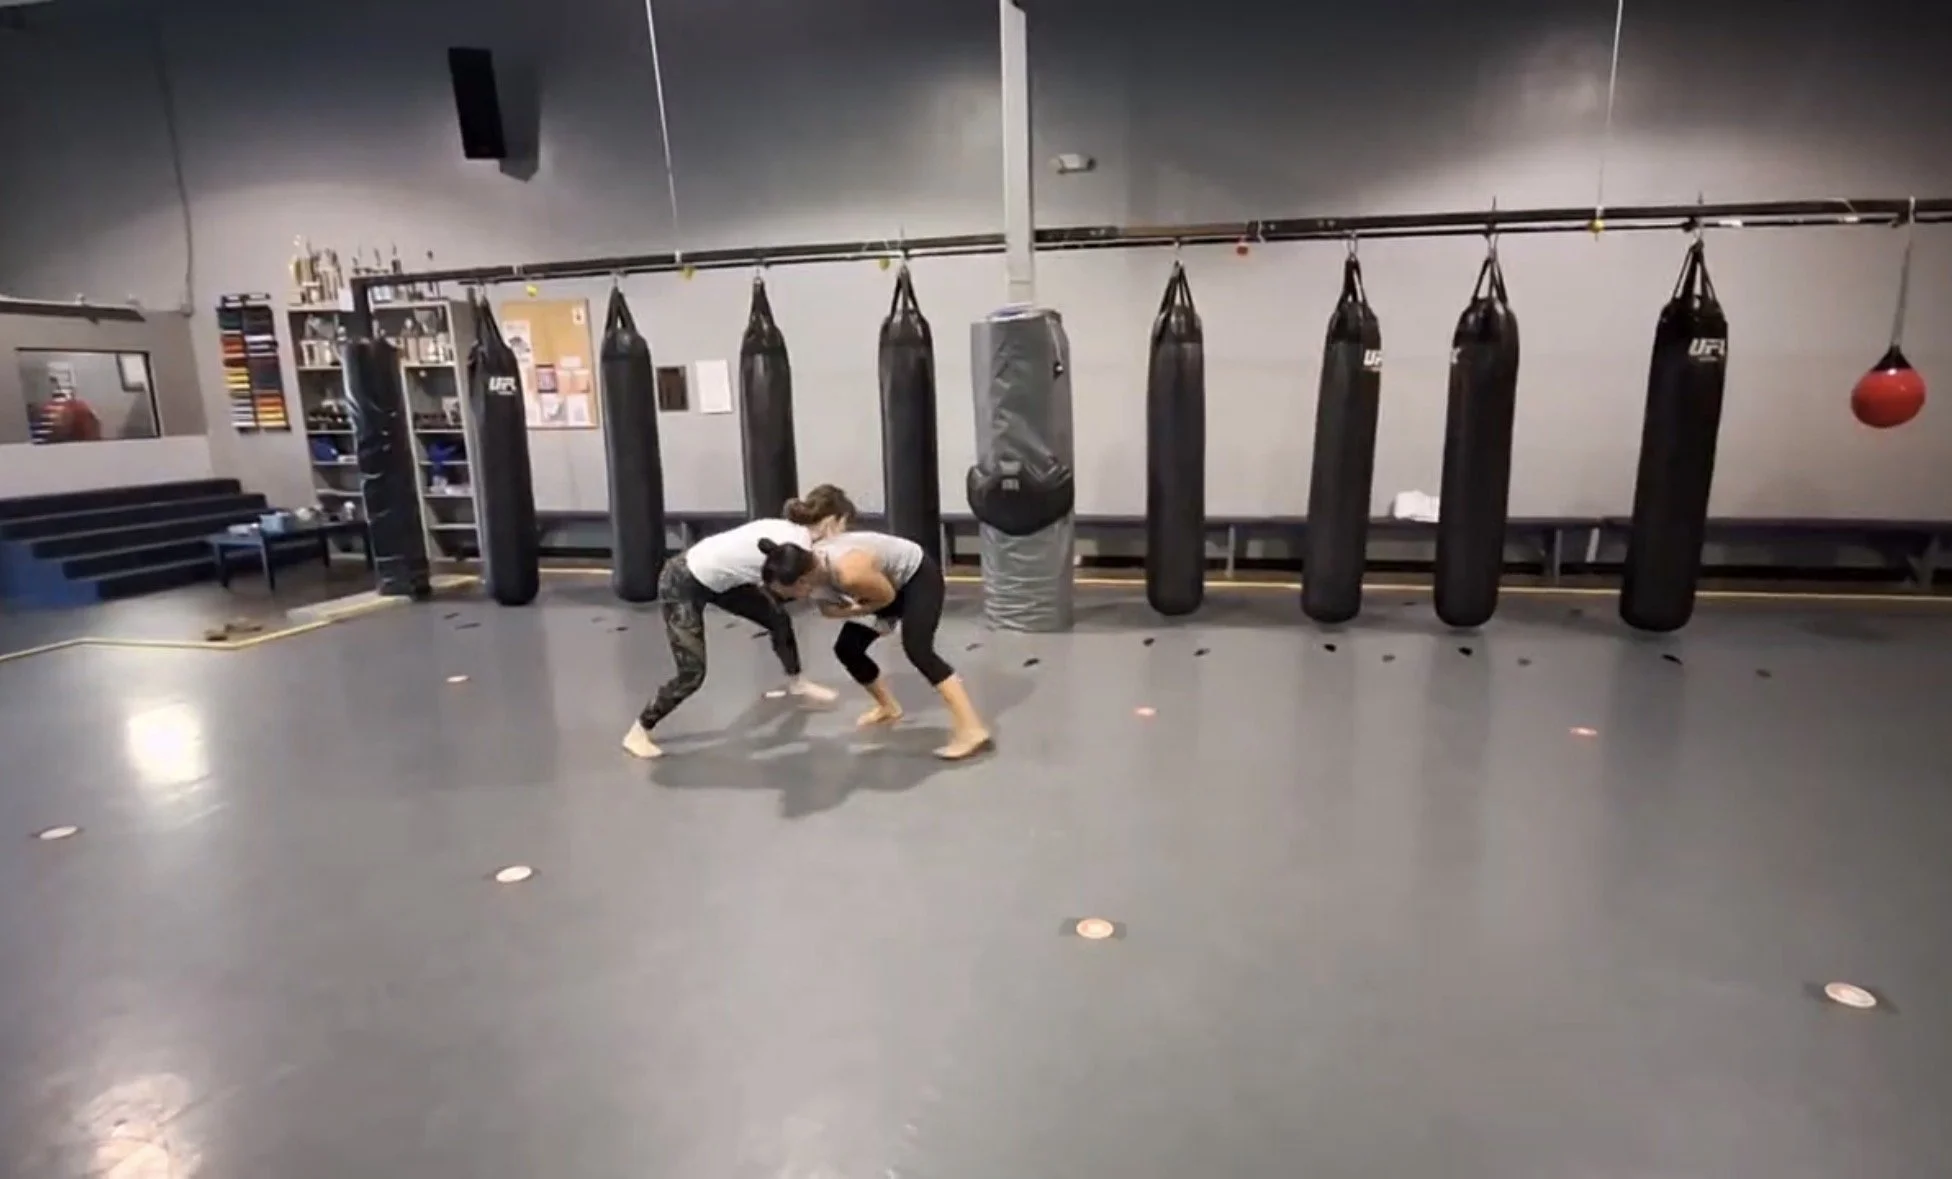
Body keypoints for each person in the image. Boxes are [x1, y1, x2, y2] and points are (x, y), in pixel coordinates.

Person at [621, 485, 857, 759]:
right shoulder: (799, 546)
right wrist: (851, 601)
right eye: (844, 525)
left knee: (777, 618)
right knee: (692, 673)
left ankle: (797, 682)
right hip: (681, 581)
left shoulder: (789, 531)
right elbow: (803, 586)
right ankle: (638, 731)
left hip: (721, 582)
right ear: (831, 522)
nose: (844, 533)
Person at [759, 530, 991, 760]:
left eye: (787, 593)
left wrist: (867, 614)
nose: (789, 599)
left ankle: (972, 729)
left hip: (915, 577)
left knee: (918, 649)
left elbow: (886, 598)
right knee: (847, 649)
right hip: (880, 589)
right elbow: (828, 611)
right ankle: (888, 707)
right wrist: (860, 613)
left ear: (802, 581)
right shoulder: (812, 572)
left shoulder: (849, 572)